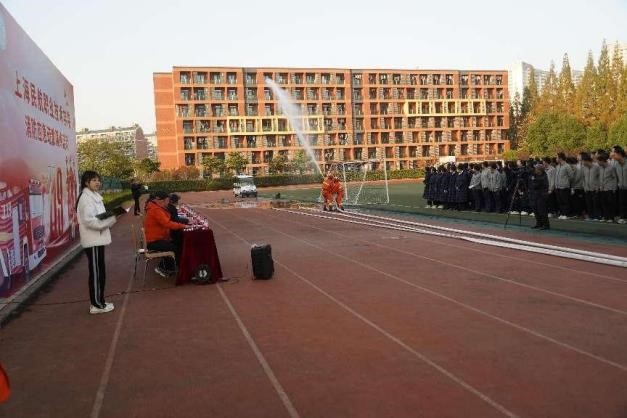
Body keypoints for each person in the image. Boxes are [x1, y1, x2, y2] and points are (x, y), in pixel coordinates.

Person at [76, 171, 117, 314]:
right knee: (96, 273)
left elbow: (97, 216)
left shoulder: (94, 196)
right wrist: (109, 221)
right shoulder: (86, 198)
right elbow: (89, 221)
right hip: (93, 240)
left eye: (98, 180)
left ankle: (100, 301)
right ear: (86, 182)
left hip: (98, 239)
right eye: (94, 180)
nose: (97, 182)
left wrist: (110, 215)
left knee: (100, 271)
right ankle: (96, 305)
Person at [143, 191, 186, 276]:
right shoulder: (156, 210)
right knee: (174, 247)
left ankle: (174, 266)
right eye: (167, 201)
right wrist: (183, 226)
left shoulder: (154, 207)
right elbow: (167, 223)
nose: (168, 203)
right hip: (153, 241)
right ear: (162, 200)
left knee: (175, 242)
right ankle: (162, 268)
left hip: (155, 238)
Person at [598, 154, 618, 222]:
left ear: (602, 161)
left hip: (609, 188)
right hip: (602, 188)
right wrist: (600, 186)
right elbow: (600, 178)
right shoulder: (600, 168)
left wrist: (614, 188)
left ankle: (611, 217)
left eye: (599, 161)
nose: (598, 163)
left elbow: (614, 178)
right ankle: (606, 217)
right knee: (603, 203)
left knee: (610, 203)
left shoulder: (611, 167)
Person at [530, 164, 550, 230]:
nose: (535, 170)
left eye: (536, 169)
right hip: (536, 195)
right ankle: (539, 223)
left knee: (542, 210)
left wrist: (534, 180)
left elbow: (536, 185)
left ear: (539, 170)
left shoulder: (544, 176)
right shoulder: (536, 176)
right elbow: (533, 184)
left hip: (542, 195)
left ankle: (546, 225)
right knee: (536, 210)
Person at [612, 147, 627, 223]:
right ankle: (623, 218)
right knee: (622, 203)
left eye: (614, 154)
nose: (613, 155)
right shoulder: (616, 165)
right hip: (621, 187)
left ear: (620, 154)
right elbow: (615, 177)